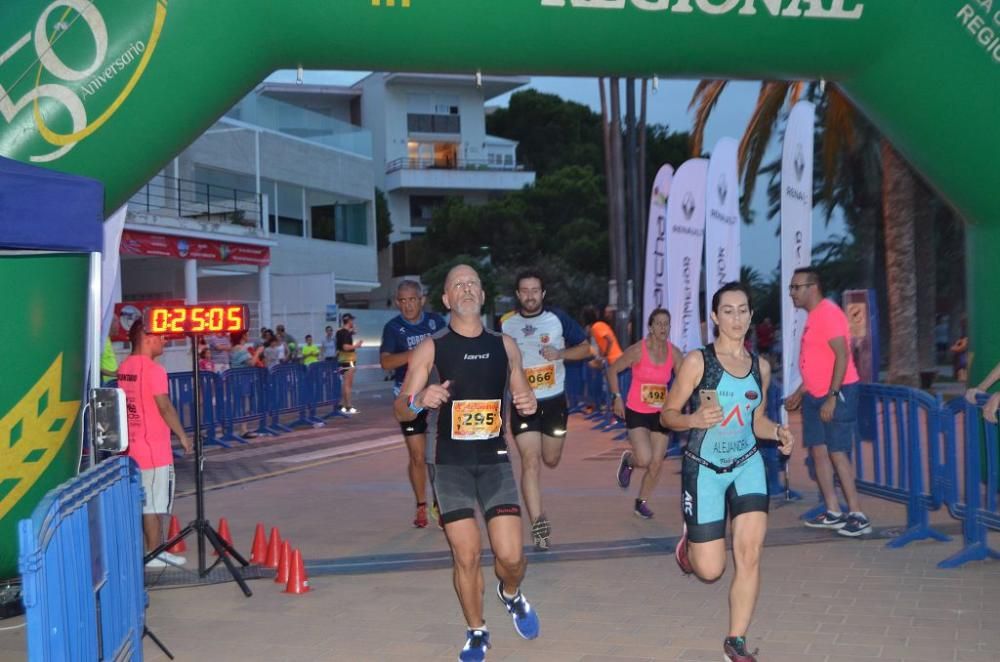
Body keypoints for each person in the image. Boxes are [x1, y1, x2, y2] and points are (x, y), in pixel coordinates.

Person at [395, 264, 540, 661]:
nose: (466, 289)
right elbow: (402, 409)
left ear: (482, 294)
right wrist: (418, 400)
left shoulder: (504, 344)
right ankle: (477, 629)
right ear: (446, 299)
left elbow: (523, 394)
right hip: (451, 465)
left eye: (473, 283)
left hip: (495, 463)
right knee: (467, 554)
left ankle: (510, 592)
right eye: (458, 285)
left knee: (511, 558)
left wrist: (528, 402)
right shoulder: (432, 348)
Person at [661, 282, 794, 662]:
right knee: (710, 570)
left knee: (749, 553)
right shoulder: (697, 362)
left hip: (747, 465)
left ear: (751, 317)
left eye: (743, 310)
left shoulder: (760, 367)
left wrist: (780, 432)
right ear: (715, 318)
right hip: (703, 468)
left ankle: (735, 641)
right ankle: (689, 549)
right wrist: (692, 419)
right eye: (728, 311)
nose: (736, 318)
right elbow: (666, 414)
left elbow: (758, 422)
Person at [501, 271, 591, 551]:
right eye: (524, 290)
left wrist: (561, 354)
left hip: (554, 402)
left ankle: (540, 517)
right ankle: (539, 525)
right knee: (530, 460)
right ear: (518, 295)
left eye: (535, 290)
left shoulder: (558, 318)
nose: (530, 295)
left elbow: (587, 348)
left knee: (550, 459)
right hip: (523, 403)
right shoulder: (506, 323)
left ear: (543, 294)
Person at [784, 266, 871, 537]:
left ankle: (857, 514)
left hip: (838, 393)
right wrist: (801, 390)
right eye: (791, 288)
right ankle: (833, 511)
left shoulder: (829, 313)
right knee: (818, 452)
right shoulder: (813, 316)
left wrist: (832, 398)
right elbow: (819, 361)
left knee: (837, 452)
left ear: (813, 287)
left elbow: (842, 357)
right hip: (815, 395)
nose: (792, 293)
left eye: (796, 287)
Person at [118, 319, 193, 568]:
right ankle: (154, 553)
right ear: (147, 337)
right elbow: (164, 406)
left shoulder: (125, 366)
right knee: (153, 503)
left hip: (132, 447)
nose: (165, 340)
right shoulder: (154, 370)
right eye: (161, 336)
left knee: (144, 501)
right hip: (153, 450)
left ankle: (152, 550)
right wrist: (182, 435)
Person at [380, 280, 447, 528]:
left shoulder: (436, 322)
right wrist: (417, 354)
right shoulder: (393, 328)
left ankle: (440, 503)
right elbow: (386, 363)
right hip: (409, 399)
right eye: (403, 300)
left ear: (422, 299)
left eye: (412, 299)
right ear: (398, 302)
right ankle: (421, 505)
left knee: (437, 455)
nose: (408, 305)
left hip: (436, 394)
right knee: (418, 456)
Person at [607, 308, 684, 519]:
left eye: (666, 324)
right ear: (650, 327)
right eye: (658, 323)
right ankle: (629, 461)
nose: (662, 328)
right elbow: (612, 370)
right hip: (637, 411)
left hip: (661, 414)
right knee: (645, 458)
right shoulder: (638, 350)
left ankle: (641, 502)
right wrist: (617, 396)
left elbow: (686, 379)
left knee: (657, 462)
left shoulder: (674, 353)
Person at [337, 314, 362, 414]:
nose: (353, 323)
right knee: (348, 384)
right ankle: (349, 406)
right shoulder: (345, 333)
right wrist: (356, 345)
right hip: (348, 360)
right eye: (352, 321)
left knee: (345, 383)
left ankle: (343, 404)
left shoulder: (340, 332)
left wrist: (352, 331)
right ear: (349, 321)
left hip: (343, 360)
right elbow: (345, 347)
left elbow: (349, 334)